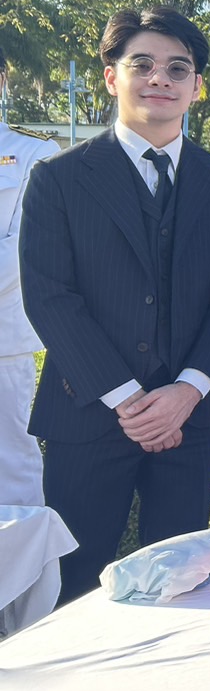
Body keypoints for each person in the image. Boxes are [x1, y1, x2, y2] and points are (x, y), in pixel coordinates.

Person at [20, 7, 210, 603]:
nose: (160, 79)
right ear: (111, 77)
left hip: (190, 419)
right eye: (142, 64)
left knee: (180, 584)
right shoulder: (57, 178)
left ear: (196, 86)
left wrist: (187, 391)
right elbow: (50, 297)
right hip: (88, 414)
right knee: (76, 586)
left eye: (178, 69)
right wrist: (127, 399)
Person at [0, 48, 59, 506]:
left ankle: (23, 552)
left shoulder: (33, 152)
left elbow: (21, 248)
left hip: (2, 341)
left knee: (10, 463)